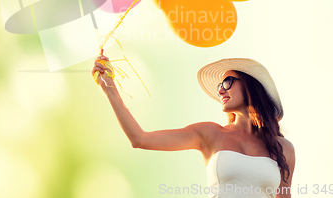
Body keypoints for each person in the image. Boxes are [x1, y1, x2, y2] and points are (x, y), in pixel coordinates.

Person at [92, 56, 295, 198]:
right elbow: (140, 139)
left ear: (250, 85)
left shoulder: (283, 148)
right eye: (219, 87)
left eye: (227, 82)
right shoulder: (210, 133)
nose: (220, 90)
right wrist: (109, 87)